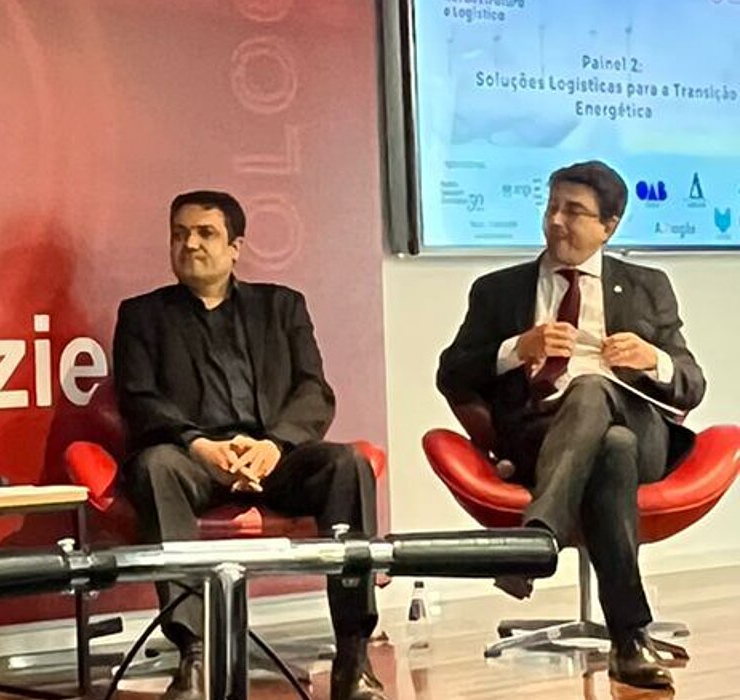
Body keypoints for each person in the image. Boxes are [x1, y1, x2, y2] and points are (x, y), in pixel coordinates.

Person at [437, 160, 702, 690]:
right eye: (552, 207)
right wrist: (516, 349)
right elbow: (451, 373)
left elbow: (692, 384)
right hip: (539, 436)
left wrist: (653, 359)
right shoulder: (498, 290)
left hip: (642, 431)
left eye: (574, 211)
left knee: (595, 392)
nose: (556, 220)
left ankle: (536, 541)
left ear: (609, 226)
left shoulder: (647, 286)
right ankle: (630, 639)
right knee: (612, 450)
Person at [113, 190, 383, 700]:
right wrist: (198, 445)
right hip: (192, 459)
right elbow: (138, 398)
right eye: (179, 234)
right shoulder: (142, 315)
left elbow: (313, 390)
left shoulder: (282, 306)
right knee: (154, 467)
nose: (190, 244)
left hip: (273, 457)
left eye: (205, 233)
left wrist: (275, 445)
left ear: (236, 247)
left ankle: (354, 657)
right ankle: (193, 654)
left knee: (348, 464)